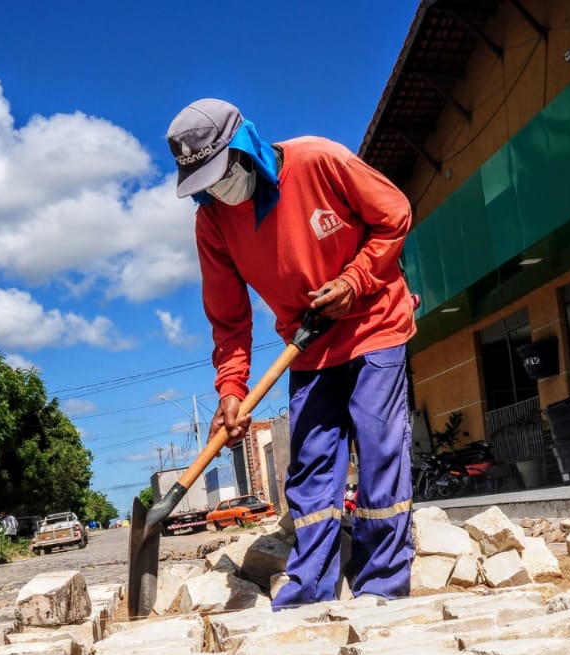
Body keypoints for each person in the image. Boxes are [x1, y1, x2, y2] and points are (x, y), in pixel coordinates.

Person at [166, 98, 417, 609]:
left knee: (378, 446)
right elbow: (230, 319)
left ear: (246, 148)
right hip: (307, 343)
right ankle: (311, 591)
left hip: (375, 322)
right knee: (309, 466)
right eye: (204, 182)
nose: (217, 189)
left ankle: (383, 586)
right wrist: (231, 390)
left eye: (221, 172)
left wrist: (356, 279)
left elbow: (395, 215)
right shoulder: (212, 221)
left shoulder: (319, 160)